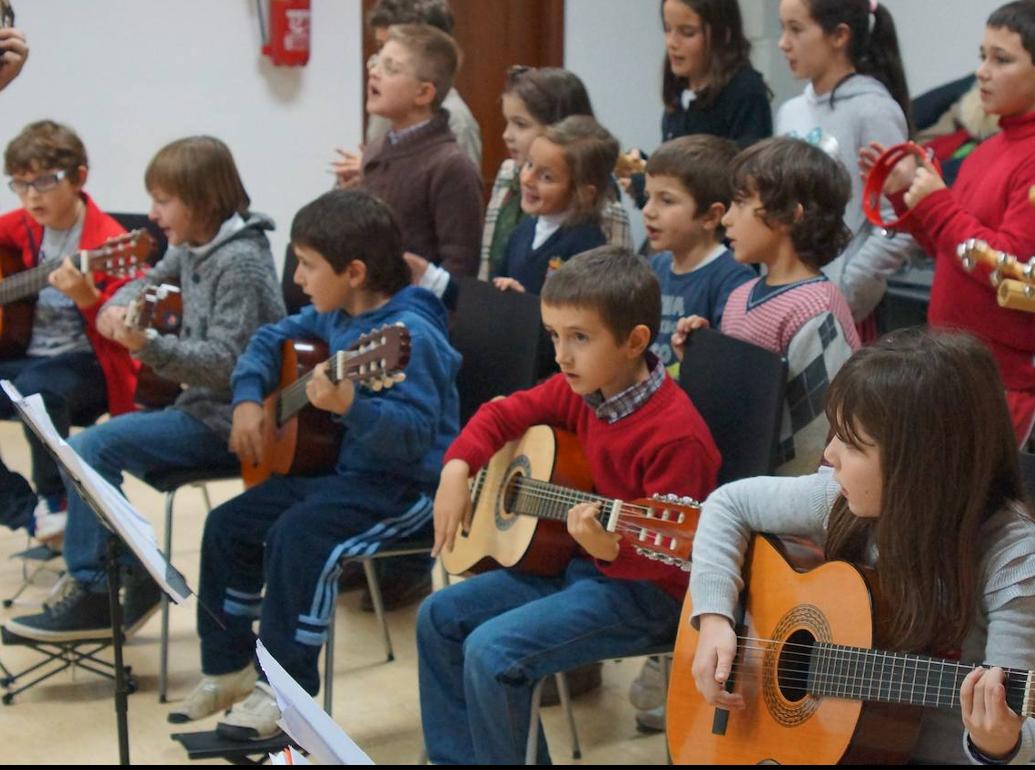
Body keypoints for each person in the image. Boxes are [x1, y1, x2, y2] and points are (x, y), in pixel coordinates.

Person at [688, 327, 1035, 764]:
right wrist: (716, 617)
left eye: (851, 443)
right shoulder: (845, 501)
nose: (829, 455)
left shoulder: (1017, 564)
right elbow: (727, 503)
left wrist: (998, 743)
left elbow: (1021, 721)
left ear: (919, 467)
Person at [168, 189, 461, 741]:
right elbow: (266, 339)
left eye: (307, 264)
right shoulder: (337, 314)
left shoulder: (410, 336)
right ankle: (228, 669)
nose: (297, 278)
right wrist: (252, 398)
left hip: (408, 490)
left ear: (353, 271)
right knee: (227, 526)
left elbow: (416, 436)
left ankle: (285, 694)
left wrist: (353, 406)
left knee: (299, 538)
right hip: (342, 476)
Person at [417, 246, 720, 764]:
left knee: (493, 652)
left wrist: (609, 550)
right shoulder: (582, 390)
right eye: (555, 336)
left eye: (579, 338)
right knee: (438, 617)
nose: (561, 355)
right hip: (575, 565)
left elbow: (679, 558)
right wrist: (456, 468)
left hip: (650, 596)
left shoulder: (675, 437)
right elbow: (502, 416)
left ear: (635, 342)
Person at [3, 136, 286, 642]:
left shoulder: (239, 262)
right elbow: (148, 279)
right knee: (89, 447)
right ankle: (128, 573)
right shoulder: (195, 246)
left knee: (91, 445)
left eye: (162, 200)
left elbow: (227, 366)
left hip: (232, 419)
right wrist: (118, 305)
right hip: (198, 406)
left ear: (202, 200)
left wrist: (147, 344)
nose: (151, 215)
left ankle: (98, 587)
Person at [860, 0, 1035, 445]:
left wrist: (936, 205)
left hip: (1000, 381)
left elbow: (1008, 266)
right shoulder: (991, 146)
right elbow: (950, 252)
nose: (982, 72)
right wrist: (905, 192)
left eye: (1001, 59)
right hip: (952, 365)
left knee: (973, 513)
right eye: (982, 56)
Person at [672, 137, 860, 476]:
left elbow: (816, 440)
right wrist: (703, 359)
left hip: (780, 508)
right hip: (737, 485)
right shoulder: (741, 295)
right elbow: (741, 400)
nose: (727, 219)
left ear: (790, 215)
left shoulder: (817, 309)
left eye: (741, 203)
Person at [0, 121, 135, 541]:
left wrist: (87, 297)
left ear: (79, 178)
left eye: (43, 182)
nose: (31, 196)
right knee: (29, 381)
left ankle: (56, 497)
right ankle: (27, 512)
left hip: (88, 364)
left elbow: (122, 330)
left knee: (35, 388)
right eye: (20, 185)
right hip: (27, 358)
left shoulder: (109, 242)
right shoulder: (19, 226)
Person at [774, 0, 916, 331]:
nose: (783, 43)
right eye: (783, 29)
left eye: (796, 29)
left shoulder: (872, 110)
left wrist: (846, 290)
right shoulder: (789, 111)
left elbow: (899, 220)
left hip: (844, 311)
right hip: (787, 293)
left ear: (839, 36)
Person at [348, 23, 482, 279]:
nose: (374, 73)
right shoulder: (377, 149)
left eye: (391, 68)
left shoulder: (450, 165)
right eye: (376, 62)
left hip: (415, 312)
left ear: (423, 93)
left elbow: (460, 267)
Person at [478, 66, 632, 281]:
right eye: (530, 166)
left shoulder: (593, 232)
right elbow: (490, 272)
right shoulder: (522, 228)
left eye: (520, 124)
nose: (506, 135)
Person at [623, 0, 773, 208]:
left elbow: (731, 180)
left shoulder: (745, 92)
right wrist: (647, 170)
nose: (672, 43)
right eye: (667, 29)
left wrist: (648, 187)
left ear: (723, 34)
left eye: (687, 33)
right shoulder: (679, 93)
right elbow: (681, 167)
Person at [644, 134, 754, 373]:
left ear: (711, 216)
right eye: (647, 197)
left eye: (666, 200)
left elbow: (729, 367)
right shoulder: (653, 267)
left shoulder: (734, 281)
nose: (648, 211)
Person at [332, 0, 482, 175]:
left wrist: (375, 173)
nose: (375, 68)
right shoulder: (386, 105)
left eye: (394, 57)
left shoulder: (457, 121)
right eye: (381, 48)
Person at [492, 116, 617, 295]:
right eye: (529, 164)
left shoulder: (587, 249)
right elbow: (496, 281)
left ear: (584, 194)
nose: (527, 179)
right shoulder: (523, 231)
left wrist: (522, 304)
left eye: (546, 177)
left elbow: (575, 315)